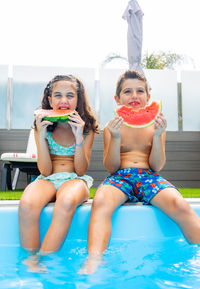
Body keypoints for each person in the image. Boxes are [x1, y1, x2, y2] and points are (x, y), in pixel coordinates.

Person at [79, 70, 200, 274]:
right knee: (100, 203)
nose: (134, 96)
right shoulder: (111, 127)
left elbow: (157, 166)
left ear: (148, 97)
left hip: (149, 176)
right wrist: (116, 137)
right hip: (119, 177)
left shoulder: (156, 124)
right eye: (128, 91)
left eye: (140, 91)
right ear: (117, 98)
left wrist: (160, 134)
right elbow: (111, 167)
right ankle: (94, 259)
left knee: (180, 205)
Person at [19, 75, 100, 269]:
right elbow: (45, 171)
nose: (64, 100)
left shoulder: (86, 128)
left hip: (76, 179)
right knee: (27, 204)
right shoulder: (43, 125)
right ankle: (31, 260)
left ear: (78, 100)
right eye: (58, 95)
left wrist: (79, 135)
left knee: (65, 202)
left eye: (70, 95)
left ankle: (45, 258)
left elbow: (81, 169)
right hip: (48, 178)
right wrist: (41, 136)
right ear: (49, 100)